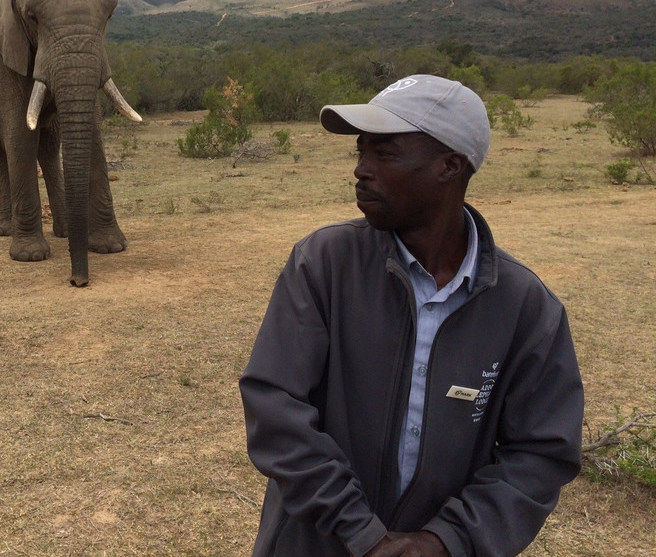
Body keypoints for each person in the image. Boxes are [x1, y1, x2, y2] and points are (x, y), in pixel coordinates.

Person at [239, 74, 584, 557]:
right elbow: (275, 406)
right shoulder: (323, 264)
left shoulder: (524, 306)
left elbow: (542, 452)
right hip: (313, 543)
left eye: (385, 153)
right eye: (360, 152)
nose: (360, 169)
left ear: (449, 165)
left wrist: (445, 541)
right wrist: (360, 531)